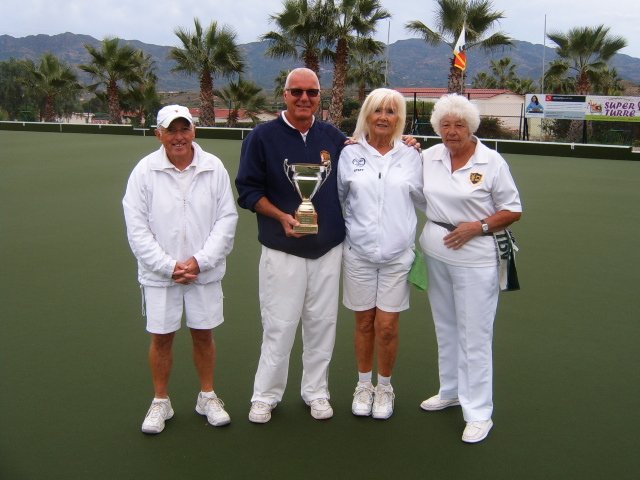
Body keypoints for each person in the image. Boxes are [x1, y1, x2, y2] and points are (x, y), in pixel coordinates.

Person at [235, 68, 347, 423]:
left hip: (328, 250)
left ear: (319, 96)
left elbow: (370, 156)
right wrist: (282, 216)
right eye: (296, 91)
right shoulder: (262, 137)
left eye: (311, 92)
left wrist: (407, 142)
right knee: (279, 325)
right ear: (284, 94)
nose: (304, 98)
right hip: (282, 249)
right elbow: (248, 191)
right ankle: (265, 395)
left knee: (322, 324)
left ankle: (316, 392)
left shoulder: (334, 137)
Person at [123, 104, 238, 434]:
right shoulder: (144, 171)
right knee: (161, 338)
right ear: (158, 134)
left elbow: (226, 219)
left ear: (193, 131)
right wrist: (168, 266)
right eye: (171, 130)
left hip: (204, 274)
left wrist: (200, 262)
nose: (178, 137)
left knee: (204, 334)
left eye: (184, 129)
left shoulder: (214, 167)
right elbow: (137, 228)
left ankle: (207, 396)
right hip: (160, 277)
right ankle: (161, 400)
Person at [418, 94, 522, 443]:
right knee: (445, 325)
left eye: (459, 125)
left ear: (471, 127)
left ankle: (478, 412)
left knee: (474, 334)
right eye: (445, 125)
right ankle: (450, 391)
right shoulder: (428, 156)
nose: (452, 131)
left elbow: (512, 210)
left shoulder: (491, 161)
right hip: (436, 254)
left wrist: (477, 226)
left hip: (476, 258)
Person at [337, 88, 426, 420]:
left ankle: (385, 387)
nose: (384, 117)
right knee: (364, 323)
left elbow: (425, 200)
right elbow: (338, 199)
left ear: (399, 117)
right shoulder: (349, 153)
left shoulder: (412, 155)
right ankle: (364, 385)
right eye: (378, 110)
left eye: (391, 111)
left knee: (387, 326)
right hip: (358, 254)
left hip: (397, 257)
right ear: (367, 114)